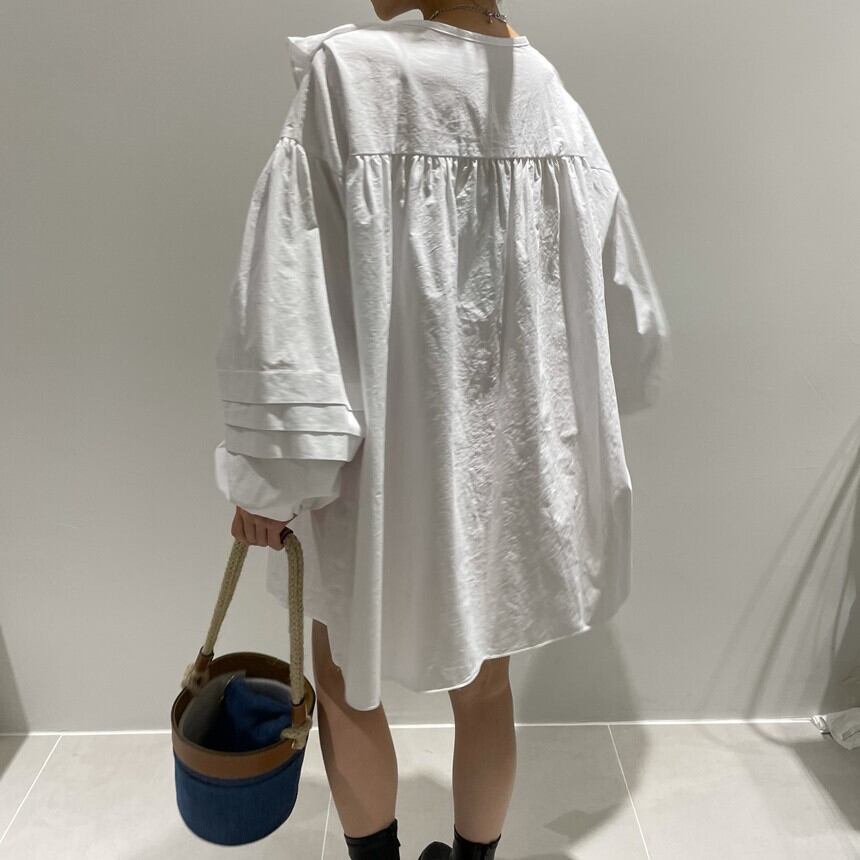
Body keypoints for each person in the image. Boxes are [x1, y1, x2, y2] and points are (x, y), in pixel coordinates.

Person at [212, 2, 672, 858]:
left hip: (373, 465)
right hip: (502, 462)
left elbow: (287, 306)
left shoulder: (350, 76)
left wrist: (267, 483)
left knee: (345, 679)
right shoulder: (543, 90)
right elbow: (628, 304)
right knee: (486, 682)